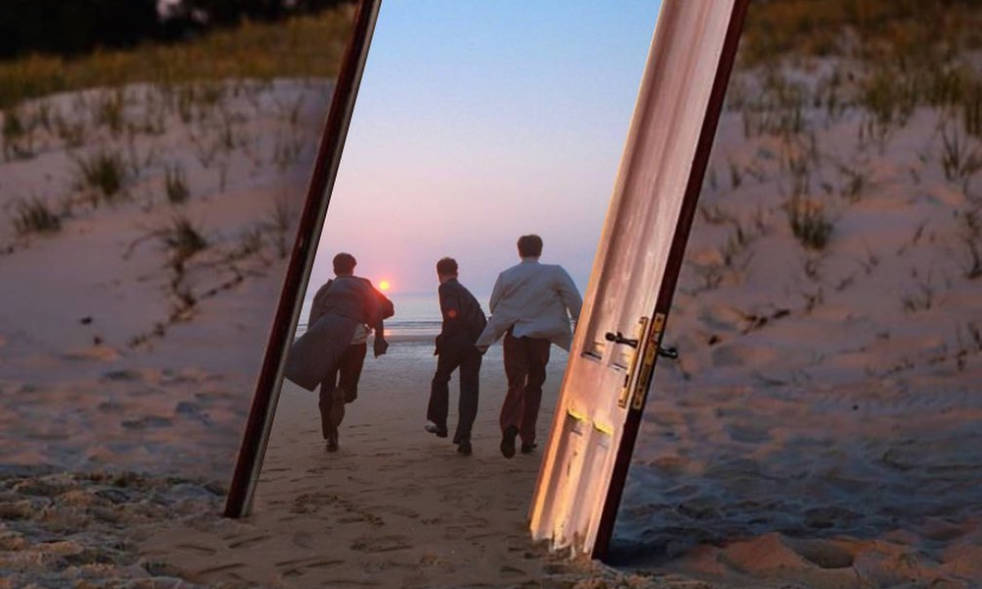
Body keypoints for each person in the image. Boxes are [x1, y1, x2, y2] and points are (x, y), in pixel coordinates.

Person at [475, 235, 582, 459]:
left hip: (515, 336)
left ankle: (510, 426)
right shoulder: (555, 272)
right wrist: (579, 323)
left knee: (516, 384)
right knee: (534, 386)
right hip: (540, 338)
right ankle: (527, 438)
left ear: (519, 251)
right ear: (540, 250)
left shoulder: (507, 275)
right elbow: (574, 300)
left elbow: (494, 305)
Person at [283, 252, 393, 452]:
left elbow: (314, 321)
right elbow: (387, 308)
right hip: (355, 341)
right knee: (349, 389)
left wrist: (312, 347)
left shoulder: (325, 289)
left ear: (334, 269)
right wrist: (367, 321)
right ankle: (342, 392)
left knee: (326, 390)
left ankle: (331, 434)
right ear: (353, 268)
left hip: (328, 341)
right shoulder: (364, 284)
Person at [424, 257, 487, 456]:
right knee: (469, 389)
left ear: (438, 273)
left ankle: (439, 423)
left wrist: (444, 337)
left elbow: (452, 314)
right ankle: (464, 437)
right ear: (456, 271)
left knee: (440, 379)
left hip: (456, 341)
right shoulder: (465, 291)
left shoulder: (446, 288)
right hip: (474, 343)